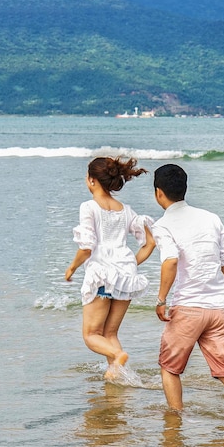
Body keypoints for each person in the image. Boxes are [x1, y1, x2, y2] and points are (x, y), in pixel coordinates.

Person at [151, 164, 224, 422]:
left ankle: (176, 419)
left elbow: (171, 261)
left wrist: (161, 299)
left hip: (187, 308)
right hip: (220, 308)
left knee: (169, 368)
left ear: (158, 193)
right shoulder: (211, 217)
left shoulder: (163, 225)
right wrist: (217, 289)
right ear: (185, 189)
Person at [65, 156, 155, 378]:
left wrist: (72, 268)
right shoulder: (126, 210)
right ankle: (117, 376)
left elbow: (87, 248)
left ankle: (118, 356)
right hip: (126, 276)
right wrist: (130, 264)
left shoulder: (89, 207)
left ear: (93, 180)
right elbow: (150, 242)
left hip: (103, 276)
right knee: (110, 332)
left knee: (91, 335)